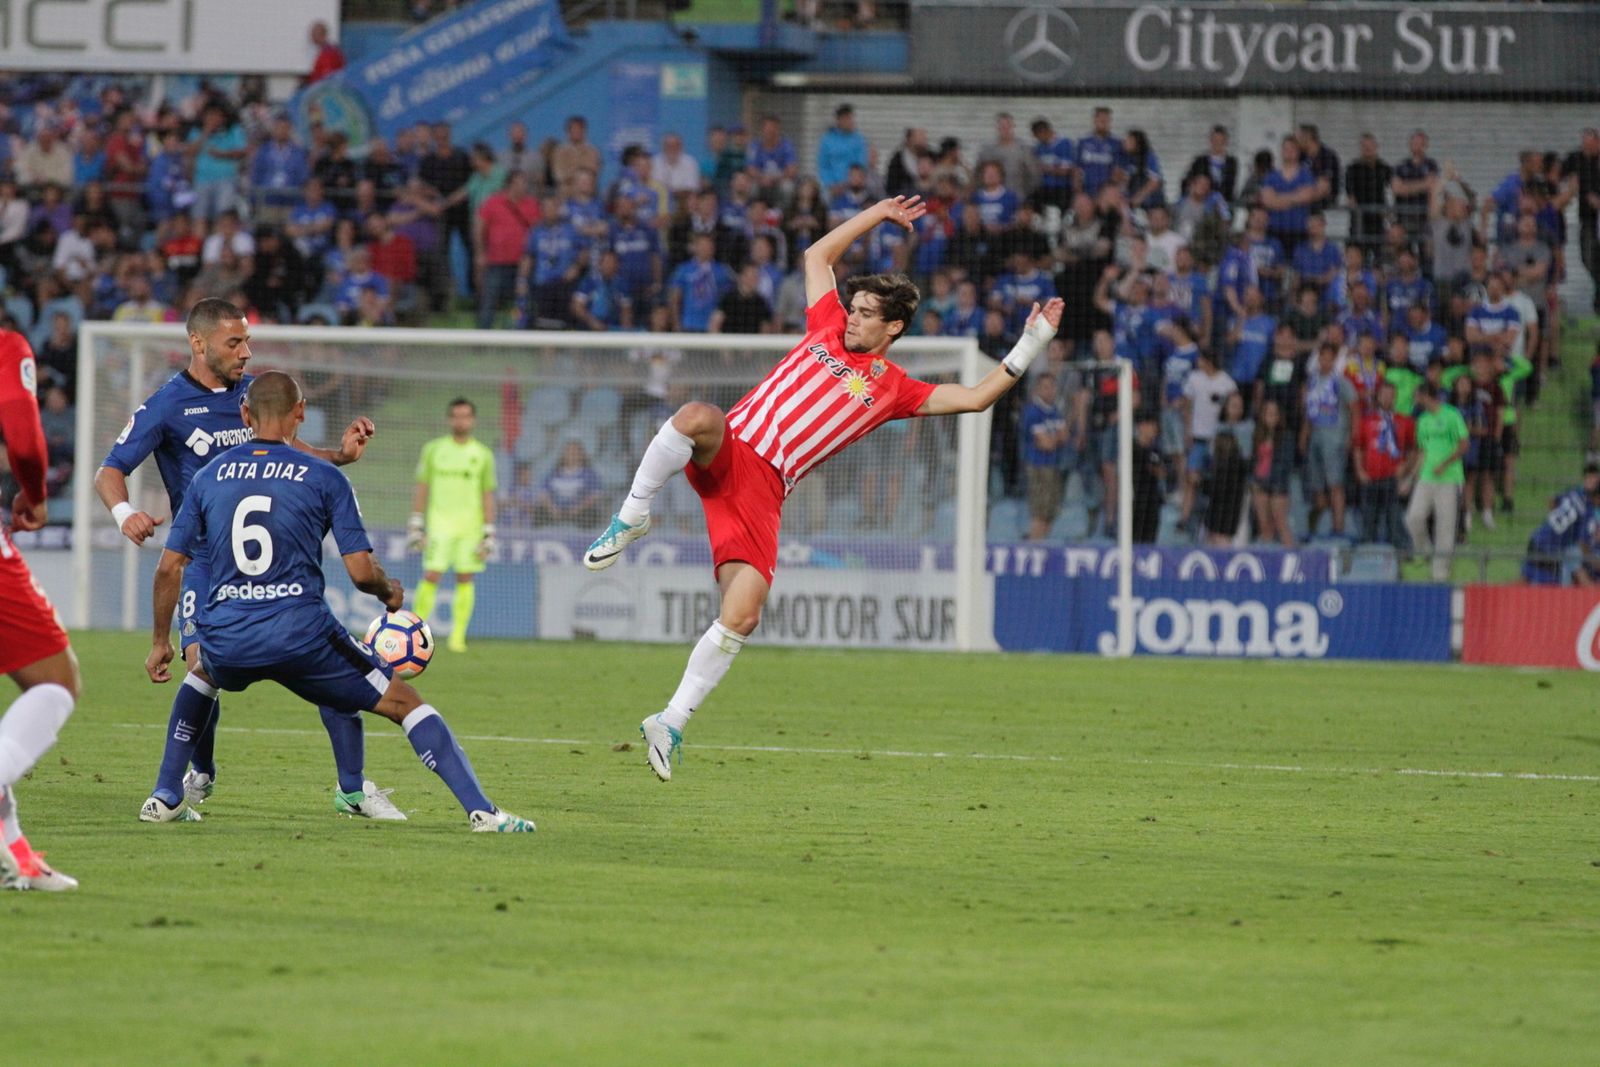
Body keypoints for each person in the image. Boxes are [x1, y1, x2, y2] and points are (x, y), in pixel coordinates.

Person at [580, 193, 1064, 780]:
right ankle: (633, 514)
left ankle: (671, 720)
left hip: (765, 492)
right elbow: (816, 256)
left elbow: (977, 396)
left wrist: (1031, 343)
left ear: (894, 327)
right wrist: (878, 214)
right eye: (853, 307)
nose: (853, 316)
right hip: (732, 448)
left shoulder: (895, 388)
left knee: (744, 613)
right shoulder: (826, 328)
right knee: (696, 415)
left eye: (865, 312)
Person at [149, 372, 534, 833]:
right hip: (300, 633)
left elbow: (170, 567)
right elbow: (359, 572)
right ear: (301, 413)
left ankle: (166, 794)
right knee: (404, 702)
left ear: (245, 415)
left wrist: (159, 641)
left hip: (229, 631)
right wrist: (389, 590)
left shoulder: (209, 476)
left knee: (202, 676)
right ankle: (482, 812)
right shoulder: (323, 477)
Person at [94, 299, 396, 821]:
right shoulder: (166, 406)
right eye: (235, 343)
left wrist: (341, 457)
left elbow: (290, 449)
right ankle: (200, 773)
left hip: (275, 553)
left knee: (324, 656)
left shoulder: (249, 396)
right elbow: (109, 470)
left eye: (247, 341)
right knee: (200, 668)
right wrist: (125, 514)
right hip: (207, 561)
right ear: (198, 343)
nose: (246, 352)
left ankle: (351, 787)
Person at [0, 329, 79, 890]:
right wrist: (35, 492)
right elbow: (24, 438)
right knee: (55, 680)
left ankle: (14, 856)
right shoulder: (6, 346)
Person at [408, 398, 497, 654]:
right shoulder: (433, 450)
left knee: (465, 578)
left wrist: (489, 532)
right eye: (456, 416)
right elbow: (422, 486)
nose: (461, 420)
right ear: (450, 419)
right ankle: (416, 633)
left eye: (466, 416)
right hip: (439, 525)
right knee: (432, 575)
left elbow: (487, 494)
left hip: (471, 527)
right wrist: (416, 522)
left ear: (473, 420)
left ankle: (458, 637)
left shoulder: (482, 454)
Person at [1404, 384, 1469, 581]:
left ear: (1426, 396)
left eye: (1417, 396)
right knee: (1413, 517)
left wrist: (1445, 464)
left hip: (1449, 479)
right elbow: (1422, 452)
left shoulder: (1452, 415)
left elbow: (1464, 444)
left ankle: (1440, 572)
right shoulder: (1422, 421)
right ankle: (1424, 550)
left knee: (1445, 526)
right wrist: (1410, 478)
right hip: (1426, 477)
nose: (1416, 400)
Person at [1301, 343, 1357, 539]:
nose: (1324, 360)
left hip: (1335, 438)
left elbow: (1354, 409)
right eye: (1321, 357)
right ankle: (1317, 529)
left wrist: (1352, 436)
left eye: (1328, 357)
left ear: (1334, 360)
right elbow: (1309, 412)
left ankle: (1339, 528)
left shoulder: (1341, 382)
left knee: (1335, 484)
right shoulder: (1312, 382)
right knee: (1318, 486)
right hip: (1315, 436)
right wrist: (1304, 435)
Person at [1352, 379, 1415, 548]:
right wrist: (1359, 471)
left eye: (1391, 395)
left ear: (1395, 397)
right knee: (1368, 520)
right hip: (1370, 477)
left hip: (1393, 478)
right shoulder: (1366, 421)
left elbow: (1413, 450)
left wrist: (1406, 469)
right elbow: (1358, 447)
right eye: (1384, 394)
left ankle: (1400, 558)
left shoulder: (1405, 421)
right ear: (1378, 396)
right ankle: (1366, 559)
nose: (1387, 398)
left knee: (1394, 520)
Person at [1522, 466, 1600, 584]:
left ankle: (1503, 598)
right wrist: (1595, 562)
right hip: (1549, 551)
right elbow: (1583, 545)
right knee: (1549, 590)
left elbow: (1552, 501)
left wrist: (1555, 528)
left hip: (1536, 538)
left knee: (1524, 581)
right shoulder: (1588, 512)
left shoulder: (1575, 493)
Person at [1020, 373, 1068, 540]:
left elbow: (1064, 436)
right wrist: (1054, 439)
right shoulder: (1032, 412)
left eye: (1052, 387)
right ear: (1038, 389)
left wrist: (1051, 439)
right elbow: (1046, 444)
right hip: (1037, 467)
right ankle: (1034, 546)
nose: (1049, 391)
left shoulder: (1055, 411)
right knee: (1039, 512)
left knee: (1050, 513)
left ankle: (1041, 545)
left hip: (1053, 466)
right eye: (1045, 387)